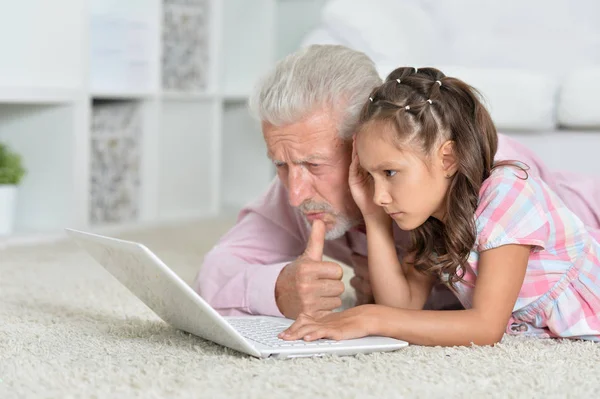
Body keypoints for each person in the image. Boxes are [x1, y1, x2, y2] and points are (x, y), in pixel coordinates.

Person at [193, 45, 600, 323]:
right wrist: (278, 289)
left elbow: (496, 302)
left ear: (366, 142)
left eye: (315, 164)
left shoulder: (485, 172)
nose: (296, 192)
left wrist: (397, 296)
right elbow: (212, 275)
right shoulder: (296, 182)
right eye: (280, 165)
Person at [278, 66, 600, 346]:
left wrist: (369, 317)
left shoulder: (506, 195)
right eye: (371, 176)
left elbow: (487, 327)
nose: (380, 195)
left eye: (390, 172)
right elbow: (404, 309)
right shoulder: (430, 217)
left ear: (448, 158)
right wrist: (375, 221)